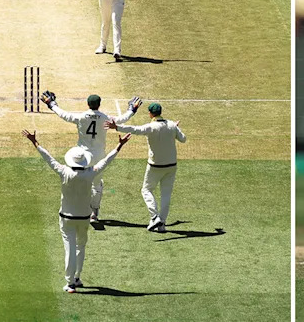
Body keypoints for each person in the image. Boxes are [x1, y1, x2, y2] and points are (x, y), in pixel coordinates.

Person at [22, 129, 130, 293]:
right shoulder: (90, 173)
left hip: (66, 218)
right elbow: (106, 161)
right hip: (84, 217)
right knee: (81, 247)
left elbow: (48, 159)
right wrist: (119, 146)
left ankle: (70, 283)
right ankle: (77, 277)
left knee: (70, 249)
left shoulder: (64, 171)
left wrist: (34, 142)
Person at [40, 92, 143, 222]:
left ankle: (77, 208)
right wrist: (132, 109)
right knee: (97, 184)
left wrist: (51, 104)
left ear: (88, 104)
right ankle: (94, 213)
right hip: (99, 155)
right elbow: (123, 119)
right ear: (99, 105)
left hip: (82, 157)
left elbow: (63, 115)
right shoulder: (106, 118)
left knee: (78, 181)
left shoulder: (81, 117)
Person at [106, 103, 186, 233]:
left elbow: (134, 129)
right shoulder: (171, 125)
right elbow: (183, 139)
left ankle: (154, 217)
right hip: (171, 166)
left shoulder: (151, 127)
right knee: (166, 195)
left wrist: (117, 127)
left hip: (155, 166)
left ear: (150, 114)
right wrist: (175, 130)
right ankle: (162, 225)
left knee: (146, 190)